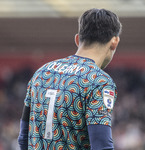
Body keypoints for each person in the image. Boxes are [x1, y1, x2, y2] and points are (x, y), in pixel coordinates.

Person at [18, 8, 122, 150]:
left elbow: (24, 137)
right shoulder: (99, 81)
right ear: (114, 42)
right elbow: (101, 145)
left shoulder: (42, 72)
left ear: (78, 39)